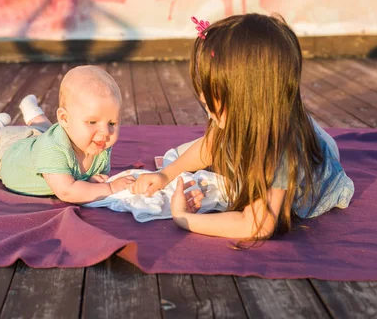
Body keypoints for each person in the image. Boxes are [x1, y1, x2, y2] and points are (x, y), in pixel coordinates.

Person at [131, 13, 354, 241]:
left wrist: (183, 218)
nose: (201, 96)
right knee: (190, 155)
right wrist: (164, 175)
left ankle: (314, 141)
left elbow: (255, 225)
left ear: (248, 97)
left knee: (311, 148)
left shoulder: (280, 148)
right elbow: (210, 145)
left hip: (321, 163)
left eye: (212, 90)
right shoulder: (246, 115)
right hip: (274, 128)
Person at [0, 65, 135, 203]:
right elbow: (67, 191)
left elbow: (90, 178)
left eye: (112, 123)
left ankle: (33, 113)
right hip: (5, 152)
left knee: (44, 131)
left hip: (37, 141)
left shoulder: (98, 143)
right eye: (92, 122)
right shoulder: (53, 150)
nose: (105, 132)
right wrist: (110, 188)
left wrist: (92, 180)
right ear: (63, 118)